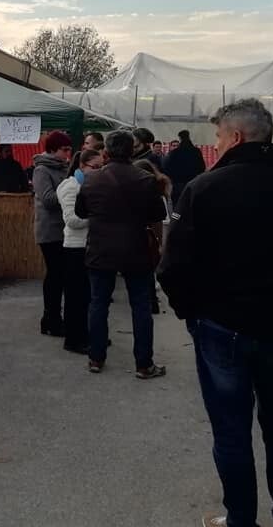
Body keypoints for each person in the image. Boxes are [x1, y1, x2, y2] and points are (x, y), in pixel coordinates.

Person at [157, 98, 273, 527]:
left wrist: (193, 316)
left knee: (231, 431)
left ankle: (240, 519)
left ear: (236, 136)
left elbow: (173, 268)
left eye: (219, 137)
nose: (216, 145)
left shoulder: (204, 189)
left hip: (220, 328)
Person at [75, 130, 166, 377]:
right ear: (132, 150)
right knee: (141, 306)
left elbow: (81, 212)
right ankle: (144, 364)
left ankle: (96, 358)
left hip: (100, 249)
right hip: (135, 249)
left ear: (106, 152)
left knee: (98, 304)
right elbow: (158, 214)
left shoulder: (91, 180)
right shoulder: (145, 179)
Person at [56, 148, 103, 355]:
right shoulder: (70, 186)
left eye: (102, 167)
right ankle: (74, 339)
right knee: (76, 297)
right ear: (82, 166)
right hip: (75, 247)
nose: (99, 171)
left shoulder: (89, 185)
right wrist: (96, 218)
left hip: (89, 245)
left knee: (87, 296)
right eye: (95, 167)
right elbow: (72, 220)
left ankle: (89, 334)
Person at [32, 131, 72, 337]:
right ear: (52, 149)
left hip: (64, 229)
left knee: (60, 275)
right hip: (50, 230)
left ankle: (52, 318)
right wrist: (71, 193)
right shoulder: (41, 170)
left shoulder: (64, 167)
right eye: (64, 150)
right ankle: (51, 319)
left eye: (69, 150)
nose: (67, 154)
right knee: (55, 275)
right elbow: (47, 198)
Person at [134, 158, 174, 315]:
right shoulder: (160, 188)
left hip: (148, 234)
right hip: (155, 233)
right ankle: (152, 301)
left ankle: (151, 300)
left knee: (145, 269)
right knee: (150, 268)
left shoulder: (149, 192)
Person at [162, 129, 207, 204]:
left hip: (178, 186)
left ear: (180, 138)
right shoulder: (196, 151)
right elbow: (202, 167)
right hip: (193, 184)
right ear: (189, 137)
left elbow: (167, 168)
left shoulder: (174, 153)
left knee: (178, 207)